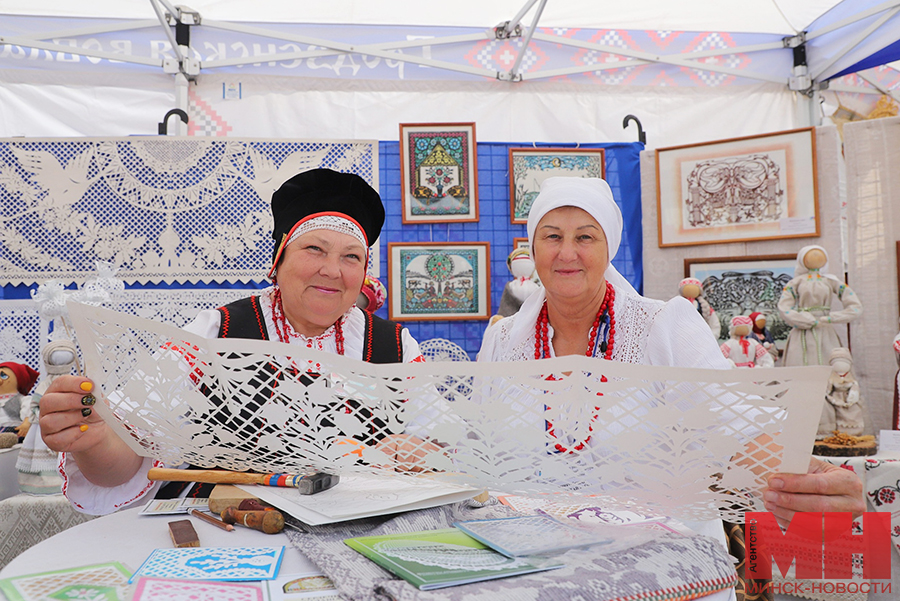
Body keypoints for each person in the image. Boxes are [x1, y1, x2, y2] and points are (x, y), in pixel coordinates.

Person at [478, 177, 864, 558]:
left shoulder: (665, 327)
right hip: (529, 565)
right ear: (532, 246)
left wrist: (801, 480)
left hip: (657, 566)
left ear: (608, 247)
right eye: (552, 237)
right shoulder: (502, 341)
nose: (566, 253)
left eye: (584, 237)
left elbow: (731, 425)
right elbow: (476, 447)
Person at [39, 168, 430, 515]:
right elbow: (125, 459)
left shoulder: (395, 347)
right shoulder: (216, 332)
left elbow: (442, 443)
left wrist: (420, 451)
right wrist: (91, 438)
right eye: (315, 249)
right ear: (279, 258)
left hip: (359, 530)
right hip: (231, 532)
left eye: (352, 257)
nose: (333, 270)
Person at [777, 245, 862, 367]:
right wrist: (801, 319)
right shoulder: (796, 282)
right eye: (811, 255)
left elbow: (855, 306)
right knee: (800, 360)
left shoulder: (830, 281)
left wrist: (831, 317)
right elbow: (784, 307)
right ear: (802, 260)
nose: (816, 257)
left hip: (825, 329)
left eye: (819, 255)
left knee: (829, 359)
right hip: (802, 331)